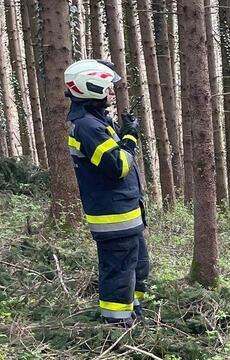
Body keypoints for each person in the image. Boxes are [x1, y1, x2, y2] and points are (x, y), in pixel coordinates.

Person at [65, 59, 149, 326]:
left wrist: (123, 132)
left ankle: (135, 314)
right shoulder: (88, 126)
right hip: (113, 217)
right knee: (119, 272)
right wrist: (130, 137)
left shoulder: (96, 121)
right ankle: (116, 325)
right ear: (91, 87)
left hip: (125, 212)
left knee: (138, 267)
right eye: (107, 87)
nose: (112, 92)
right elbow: (117, 167)